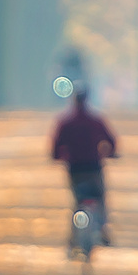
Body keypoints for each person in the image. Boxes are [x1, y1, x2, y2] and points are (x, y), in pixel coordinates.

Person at [50, 85, 118, 246]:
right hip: (94, 167)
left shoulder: (65, 123)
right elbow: (111, 141)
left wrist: (58, 156)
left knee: (77, 201)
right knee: (100, 198)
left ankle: (73, 238)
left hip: (75, 169)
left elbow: (55, 147)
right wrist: (110, 153)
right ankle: (103, 230)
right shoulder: (96, 121)